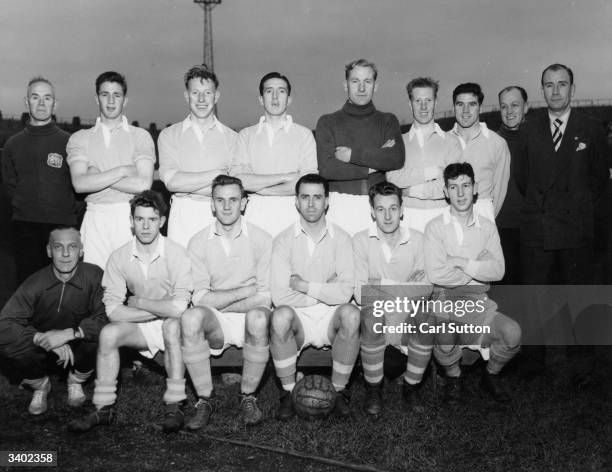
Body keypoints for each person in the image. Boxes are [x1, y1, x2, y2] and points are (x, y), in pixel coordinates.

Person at [68, 190, 192, 433]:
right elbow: (114, 310)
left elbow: (179, 307)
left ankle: (174, 405)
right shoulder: (119, 256)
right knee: (109, 334)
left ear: (162, 222)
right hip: (144, 323)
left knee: (172, 325)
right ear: (131, 221)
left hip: (174, 325)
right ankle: (103, 408)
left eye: (152, 220)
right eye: (139, 219)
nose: (145, 226)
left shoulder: (177, 253)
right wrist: (157, 309)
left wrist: (140, 303)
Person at [513, 64, 608, 371]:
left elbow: (598, 180)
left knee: (578, 294)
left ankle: (582, 361)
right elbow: (523, 178)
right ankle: (533, 359)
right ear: (542, 89)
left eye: (561, 84)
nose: (555, 91)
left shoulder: (592, 127)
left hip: (576, 226)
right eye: (549, 85)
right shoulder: (528, 128)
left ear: (572, 89)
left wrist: (576, 205)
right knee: (534, 295)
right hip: (538, 227)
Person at [424, 163, 521, 403]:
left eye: (465, 186)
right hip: (444, 302)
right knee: (444, 337)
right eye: (453, 187)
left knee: (513, 334)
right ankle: (454, 377)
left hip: (479, 303)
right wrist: (478, 265)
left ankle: (491, 375)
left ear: (475, 188)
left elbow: (498, 271)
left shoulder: (487, 227)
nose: (460, 193)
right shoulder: (435, 227)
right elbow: (437, 275)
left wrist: (459, 261)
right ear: (445, 191)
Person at [181, 175, 272, 428]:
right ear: (212, 204)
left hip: (250, 313)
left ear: (244, 203)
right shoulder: (198, 241)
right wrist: (244, 292)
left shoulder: (263, 239)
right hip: (218, 319)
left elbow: (265, 296)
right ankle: (204, 400)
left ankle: (248, 397)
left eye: (234, 200)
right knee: (190, 318)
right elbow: (198, 297)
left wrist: (217, 301)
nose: (227, 206)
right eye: (220, 200)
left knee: (259, 316)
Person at [270, 173, 360, 420]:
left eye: (317, 197)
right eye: (305, 197)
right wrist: (323, 293)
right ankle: (288, 393)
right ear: (296, 202)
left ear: (327, 201)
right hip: (299, 317)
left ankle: (340, 392)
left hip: (331, 317)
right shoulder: (283, 241)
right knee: (279, 316)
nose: (311, 204)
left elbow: (346, 291)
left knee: (352, 314)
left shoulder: (342, 238)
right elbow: (279, 296)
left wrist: (303, 285)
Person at [0, 227, 106, 415]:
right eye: (58, 247)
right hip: (43, 349)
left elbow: (107, 316)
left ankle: (76, 381)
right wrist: (41, 338)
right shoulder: (35, 283)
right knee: (10, 344)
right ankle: (41, 384)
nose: (65, 254)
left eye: (72, 247)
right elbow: (4, 323)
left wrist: (70, 334)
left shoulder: (95, 275)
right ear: (49, 251)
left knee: (103, 336)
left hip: (78, 345)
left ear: (81, 250)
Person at [353, 181, 432, 415]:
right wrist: (406, 285)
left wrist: (378, 283)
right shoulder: (360, 240)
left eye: (393, 208)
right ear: (372, 212)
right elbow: (360, 293)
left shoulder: (418, 239)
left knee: (426, 316)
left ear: (402, 210)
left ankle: (411, 388)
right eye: (380, 209)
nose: (387, 217)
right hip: (376, 319)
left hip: (406, 317)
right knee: (370, 314)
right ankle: (373, 390)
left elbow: (426, 289)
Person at [66, 71, 155, 269]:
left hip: (129, 218)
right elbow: (80, 184)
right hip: (95, 218)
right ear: (96, 98)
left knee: (129, 286)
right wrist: (123, 170)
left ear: (125, 99)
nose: (111, 100)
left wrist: (96, 176)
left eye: (117, 94)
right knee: (95, 286)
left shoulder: (140, 136)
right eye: (105, 94)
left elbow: (143, 184)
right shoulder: (80, 138)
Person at [315, 58, 405, 235]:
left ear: (375, 86)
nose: (362, 88)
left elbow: (395, 158)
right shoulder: (328, 122)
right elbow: (327, 168)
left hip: (378, 207)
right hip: (339, 206)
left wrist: (351, 155)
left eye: (368, 81)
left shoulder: (388, 120)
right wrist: (375, 164)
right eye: (355, 81)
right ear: (345, 85)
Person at [2, 77, 77, 283]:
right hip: (25, 226)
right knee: (29, 290)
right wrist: (25, 207)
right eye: (35, 97)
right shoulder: (12, 145)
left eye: (47, 98)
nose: (42, 103)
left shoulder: (70, 142)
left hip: (61, 227)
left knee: (63, 291)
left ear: (55, 104)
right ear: (26, 102)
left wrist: (66, 215)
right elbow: (10, 185)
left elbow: (79, 189)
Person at [158, 65, 238, 248]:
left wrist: (187, 185)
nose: (201, 99)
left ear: (216, 96)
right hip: (182, 217)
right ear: (186, 96)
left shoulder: (233, 138)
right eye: (195, 93)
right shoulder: (169, 135)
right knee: (182, 274)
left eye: (207, 93)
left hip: (220, 217)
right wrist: (219, 175)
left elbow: (234, 187)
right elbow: (172, 183)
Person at [231, 72, 317, 236]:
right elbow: (239, 180)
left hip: (294, 216)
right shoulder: (246, 135)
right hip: (255, 217)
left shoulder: (304, 135)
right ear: (261, 99)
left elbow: (306, 184)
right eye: (269, 91)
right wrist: (285, 177)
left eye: (281, 91)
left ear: (289, 99)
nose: (275, 97)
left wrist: (259, 188)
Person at [387, 77, 461, 233]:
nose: (423, 107)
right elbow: (393, 178)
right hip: (407, 217)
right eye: (418, 101)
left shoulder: (451, 142)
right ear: (410, 104)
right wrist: (433, 171)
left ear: (436, 102)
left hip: (442, 216)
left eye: (428, 100)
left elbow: (450, 185)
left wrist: (410, 191)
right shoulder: (398, 142)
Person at [448, 83, 510, 221]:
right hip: (448, 219)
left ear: (480, 108)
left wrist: (487, 219)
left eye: (472, 104)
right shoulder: (443, 141)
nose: (465, 110)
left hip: (483, 218)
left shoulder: (497, 143)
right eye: (460, 104)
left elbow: (499, 191)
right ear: (453, 108)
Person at [496, 86, 529, 284]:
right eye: (504, 106)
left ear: (526, 107)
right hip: (501, 229)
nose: (509, 112)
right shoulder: (491, 142)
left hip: (534, 229)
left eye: (515, 105)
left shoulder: (540, 139)